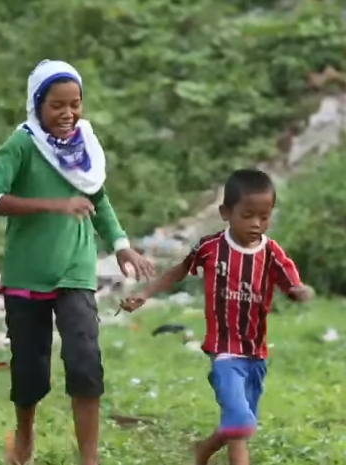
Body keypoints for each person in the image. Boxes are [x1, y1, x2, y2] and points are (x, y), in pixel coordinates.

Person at [0, 59, 154, 465]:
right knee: (29, 367)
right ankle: (25, 436)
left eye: (75, 104)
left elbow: (97, 197)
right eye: (56, 105)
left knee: (85, 361)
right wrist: (53, 204)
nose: (68, 113)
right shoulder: (22, 144)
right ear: (37, 104)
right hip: (27, 273)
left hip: (76, 271)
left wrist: (121, 244)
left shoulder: (84, 143)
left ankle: (89, 458)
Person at [120, 168, 312, 465]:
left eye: (264, 217)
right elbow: (179, 270)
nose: (256, 224)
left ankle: (203, 450)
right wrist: (145, 293)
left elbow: (291, 285)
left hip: (255, 352)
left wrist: (300, 292)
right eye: (247, 215)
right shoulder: (211, 248)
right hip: (223, 350)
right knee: (240, 425)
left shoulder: (272, 253)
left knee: (241, 422)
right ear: (225, 212)